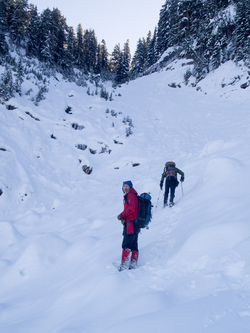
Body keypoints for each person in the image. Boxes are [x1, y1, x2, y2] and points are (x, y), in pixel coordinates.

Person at [117, 180, 139, 271]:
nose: (125, 188)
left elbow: (131, 208)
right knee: (134, 244)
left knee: (126, 243)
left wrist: (121, 215)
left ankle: (124, 266)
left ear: (130, 187)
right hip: (135, 223)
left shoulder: (130, 195)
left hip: (130, 223)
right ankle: (133, 264)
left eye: (127, 186)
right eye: (124, 186)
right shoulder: (132, 194)